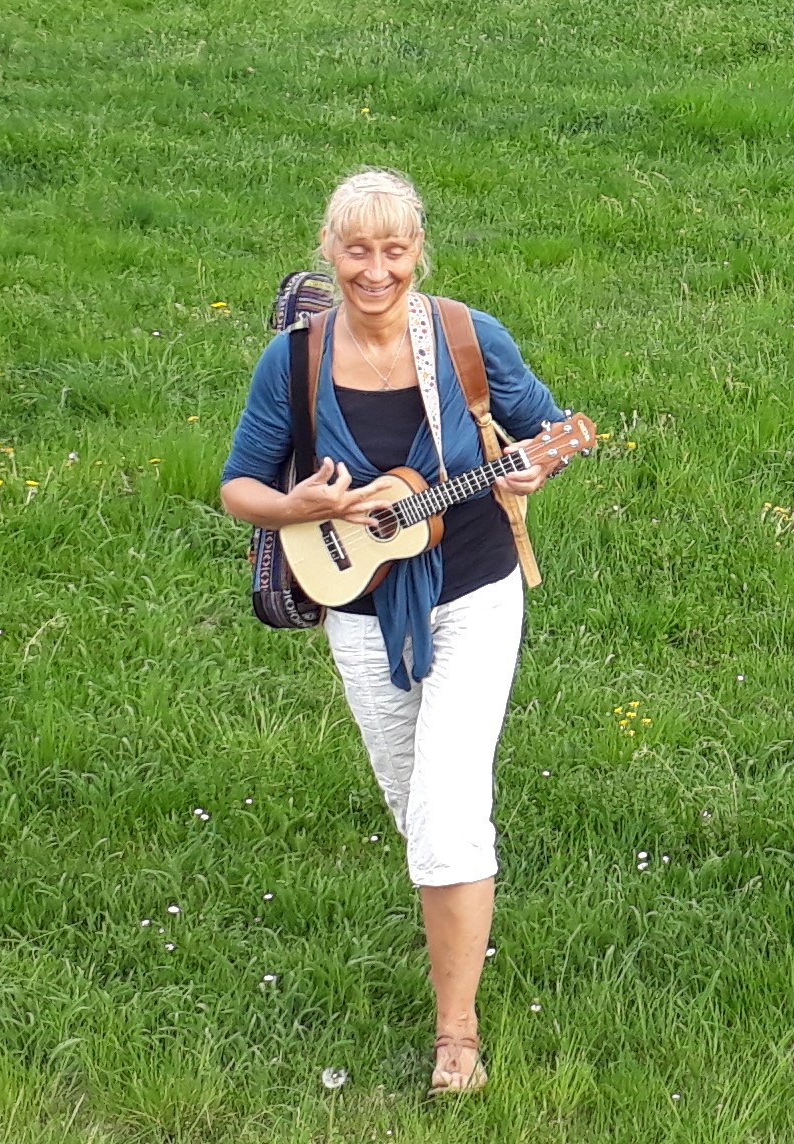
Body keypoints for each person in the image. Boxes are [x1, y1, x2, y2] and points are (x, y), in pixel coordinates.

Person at [220, 168, 567, 1093]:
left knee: (447, 813)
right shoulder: (294, 360)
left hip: (474, 590)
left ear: (419, 251)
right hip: (358, 605)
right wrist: (293, 501)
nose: (377, 270)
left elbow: (553, 428)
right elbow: (237, 486)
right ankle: (463, 915)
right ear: (328, 254)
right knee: (416, 808)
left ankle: (457, 1035)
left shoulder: (462, 337)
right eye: (357, 250)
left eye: (395, 249)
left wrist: (532, 469)